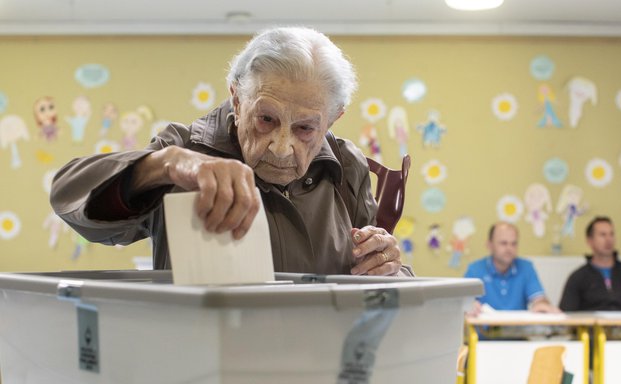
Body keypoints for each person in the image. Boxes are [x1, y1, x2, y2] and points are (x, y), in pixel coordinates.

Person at [50, 27, 410, 277]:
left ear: (332, 119)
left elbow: (385, 278)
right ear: (237, 99)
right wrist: (164, 165)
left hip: (316, 370)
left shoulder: (347, 166)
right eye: (266, 119)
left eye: (304, 128)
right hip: (206, 374)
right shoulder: (184, 150)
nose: (282, 147)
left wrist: (392, 267)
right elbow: (69, 198)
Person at [464, 222, 559, 384]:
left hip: (517, 341)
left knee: (527, 374)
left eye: (514, 243)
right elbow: (464, 304)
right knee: (490, 373)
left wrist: (542, 304)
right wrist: (468, 306)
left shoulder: (526, 267)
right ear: (490, 245)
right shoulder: (475, 269)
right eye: (503, 243)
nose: (509, 248)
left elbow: (538, 298)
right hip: (485, 343)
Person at [559, 216, 621, 311]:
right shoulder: (578, 277)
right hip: (592, 325)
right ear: (590, 241)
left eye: (611, 234)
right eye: (602, 235)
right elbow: (566, 315)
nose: (608, 239)